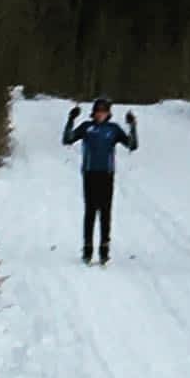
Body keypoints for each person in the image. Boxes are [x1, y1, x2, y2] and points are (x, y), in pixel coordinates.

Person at [62, 98, 138, 265]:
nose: (100, 115)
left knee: (105, 212)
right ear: (94, 112)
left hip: (106, 174)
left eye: (104, 112)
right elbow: (67, 139)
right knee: (90, 211)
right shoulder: (86, 127)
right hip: (90, 174)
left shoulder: (114, 129)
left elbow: (132, 145)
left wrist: (132, 126)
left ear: (108, 113)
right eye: (98, 112)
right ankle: (88, 249)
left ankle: (104, 249)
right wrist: (71, 119)